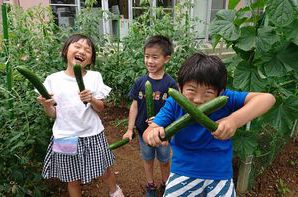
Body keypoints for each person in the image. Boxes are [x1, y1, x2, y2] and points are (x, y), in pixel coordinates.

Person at [143, 53, 276, 196]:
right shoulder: (174, 103)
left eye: (208, 93)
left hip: (220, 173)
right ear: (180, 88)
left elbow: (268, 99)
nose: (199, 99)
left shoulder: (226, 100)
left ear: (220, 93)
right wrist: (153, 134)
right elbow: (149, 131)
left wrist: (234, 120)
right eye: (191, 90)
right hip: (183, 171)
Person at [37, 34, 124, 197]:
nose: (82, 51)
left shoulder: (94, 77)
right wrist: (46, 105)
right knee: (72, 179)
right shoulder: (52, 80)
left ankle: (115, 192)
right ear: (65, 51)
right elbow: (53, 114)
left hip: (92, 134)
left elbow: (101, 108)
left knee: (104, 170)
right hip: (64, 136)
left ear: (91, 60)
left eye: (87, 50)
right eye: (77, 46)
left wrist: (91, 99)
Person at [122, 35, 178, 196]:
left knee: (164, 160)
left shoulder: (171, 84)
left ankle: (166, 184)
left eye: (155, 57)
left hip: (163, 133)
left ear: (166, 59)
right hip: (142, 131)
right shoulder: (140, 82)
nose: (149, 61)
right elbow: (134, 106)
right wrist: (129, 129)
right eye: (147, 56)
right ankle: (150, 184)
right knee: (147, 160)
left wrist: (167, 128)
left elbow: (175, 109)